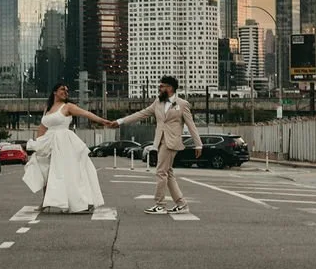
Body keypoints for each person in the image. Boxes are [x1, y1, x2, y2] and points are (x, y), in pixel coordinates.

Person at [111, 75, 202, 215]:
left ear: (170, 88)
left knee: (161, 172)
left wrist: (198, 144)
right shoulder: (157, 103)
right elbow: (141, 114)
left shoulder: (182, 104)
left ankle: (160, 204)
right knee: (168, 173)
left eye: (162, 86)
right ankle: (182, 204)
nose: (159, 88)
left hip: (171, 142)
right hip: (159, 141)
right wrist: (120, 121)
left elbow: (191, 125)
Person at [22, 82, 111, 214]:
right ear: (55, 92)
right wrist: (38, 144)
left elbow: (86, 114)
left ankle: (83, 201)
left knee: (70, 172)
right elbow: (42, 127)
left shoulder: (68, 107)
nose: (65, 92)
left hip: (64, 142)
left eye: (67, 90)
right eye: (62, 89)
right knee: (45, 170)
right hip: (48, 141)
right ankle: (46, 201)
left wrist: (104, 121)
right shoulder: (48, 107)